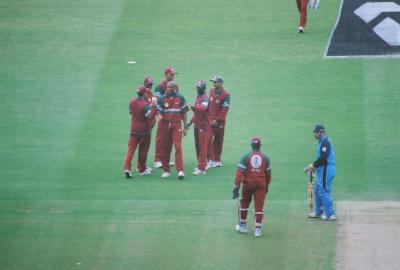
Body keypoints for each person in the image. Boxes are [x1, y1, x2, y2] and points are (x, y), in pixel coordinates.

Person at [232, 137, 272, 237]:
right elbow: (268, 175)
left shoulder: (246, 156)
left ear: (251, 145)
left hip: (248, 184)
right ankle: (257, 230)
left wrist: (236, 186)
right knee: (259, 206)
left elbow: (239, 173)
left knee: (244, 203)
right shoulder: (265, 158)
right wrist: (266, 185)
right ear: (260, 145)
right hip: (261, 184)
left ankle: (243, 226)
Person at [157, 81, 189, 179]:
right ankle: (166, 171)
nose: (168, 89)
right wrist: (158, 117)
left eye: (170, 87)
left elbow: (184, 113)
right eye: (167, 87)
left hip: (176, 125)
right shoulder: (162, 98)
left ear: (175, 88)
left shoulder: (180, 98)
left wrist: (185, 126)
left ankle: (180, 171)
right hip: (165, 125)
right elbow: (159, 112)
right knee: (165, 148)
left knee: (178, 146)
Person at [123, 85, 157, 178]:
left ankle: (127, 168)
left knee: (130, 150)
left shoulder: (132, 101)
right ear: (144, 93)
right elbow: (149, 116)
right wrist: (154, 107)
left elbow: (131, 112)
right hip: (144, 132)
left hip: (133, 131)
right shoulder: (145, 105)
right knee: (143, 152)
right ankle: (142, 170)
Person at [305, 124, 337, 221]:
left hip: (326, 170)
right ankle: (318, 211)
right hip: (323, 169)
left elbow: (323, 158)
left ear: (322, 132)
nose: (315, 134)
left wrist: (313, 165)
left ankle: (330, 214)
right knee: (318, 190)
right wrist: (314, 166)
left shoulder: (325, 142)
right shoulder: (321, 142)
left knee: (323, 191)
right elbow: (321, 159)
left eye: (316, 132)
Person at [153, 67, 178, 168]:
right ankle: (157, 159)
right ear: (166, 75)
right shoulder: (160, 86)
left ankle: (166, 159)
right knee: (160, 138)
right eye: (171, 74)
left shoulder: (175, 86)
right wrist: (157, 114)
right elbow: (156, 101)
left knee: (169, 139)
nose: (173, 76)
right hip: (162, 116)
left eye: (173, 74)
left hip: (171, 116)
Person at [207, 76, 230, 169]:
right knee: (208, 139)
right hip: (210, 120)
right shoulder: (211, 91)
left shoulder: (226, 94)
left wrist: (217, 120)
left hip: (220, 122)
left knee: (218, 141)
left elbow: (225, 109)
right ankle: (211, 159)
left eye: (215, 82)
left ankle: (217, 159)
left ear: (221, 83)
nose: (213, 84)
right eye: (213, 82)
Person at [189, 80, 210, 176]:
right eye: (197, 87)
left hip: (203, 126)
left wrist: (194, 107)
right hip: (197, 125)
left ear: (204, 88)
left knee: (202, 146)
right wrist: (191, 121)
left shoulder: (205, 98)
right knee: (197, 145)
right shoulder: (198, 97)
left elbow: (203, 109)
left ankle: (202, 168)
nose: (198, 89)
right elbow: (197, 113)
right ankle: (201, 164)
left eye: (200, 87)